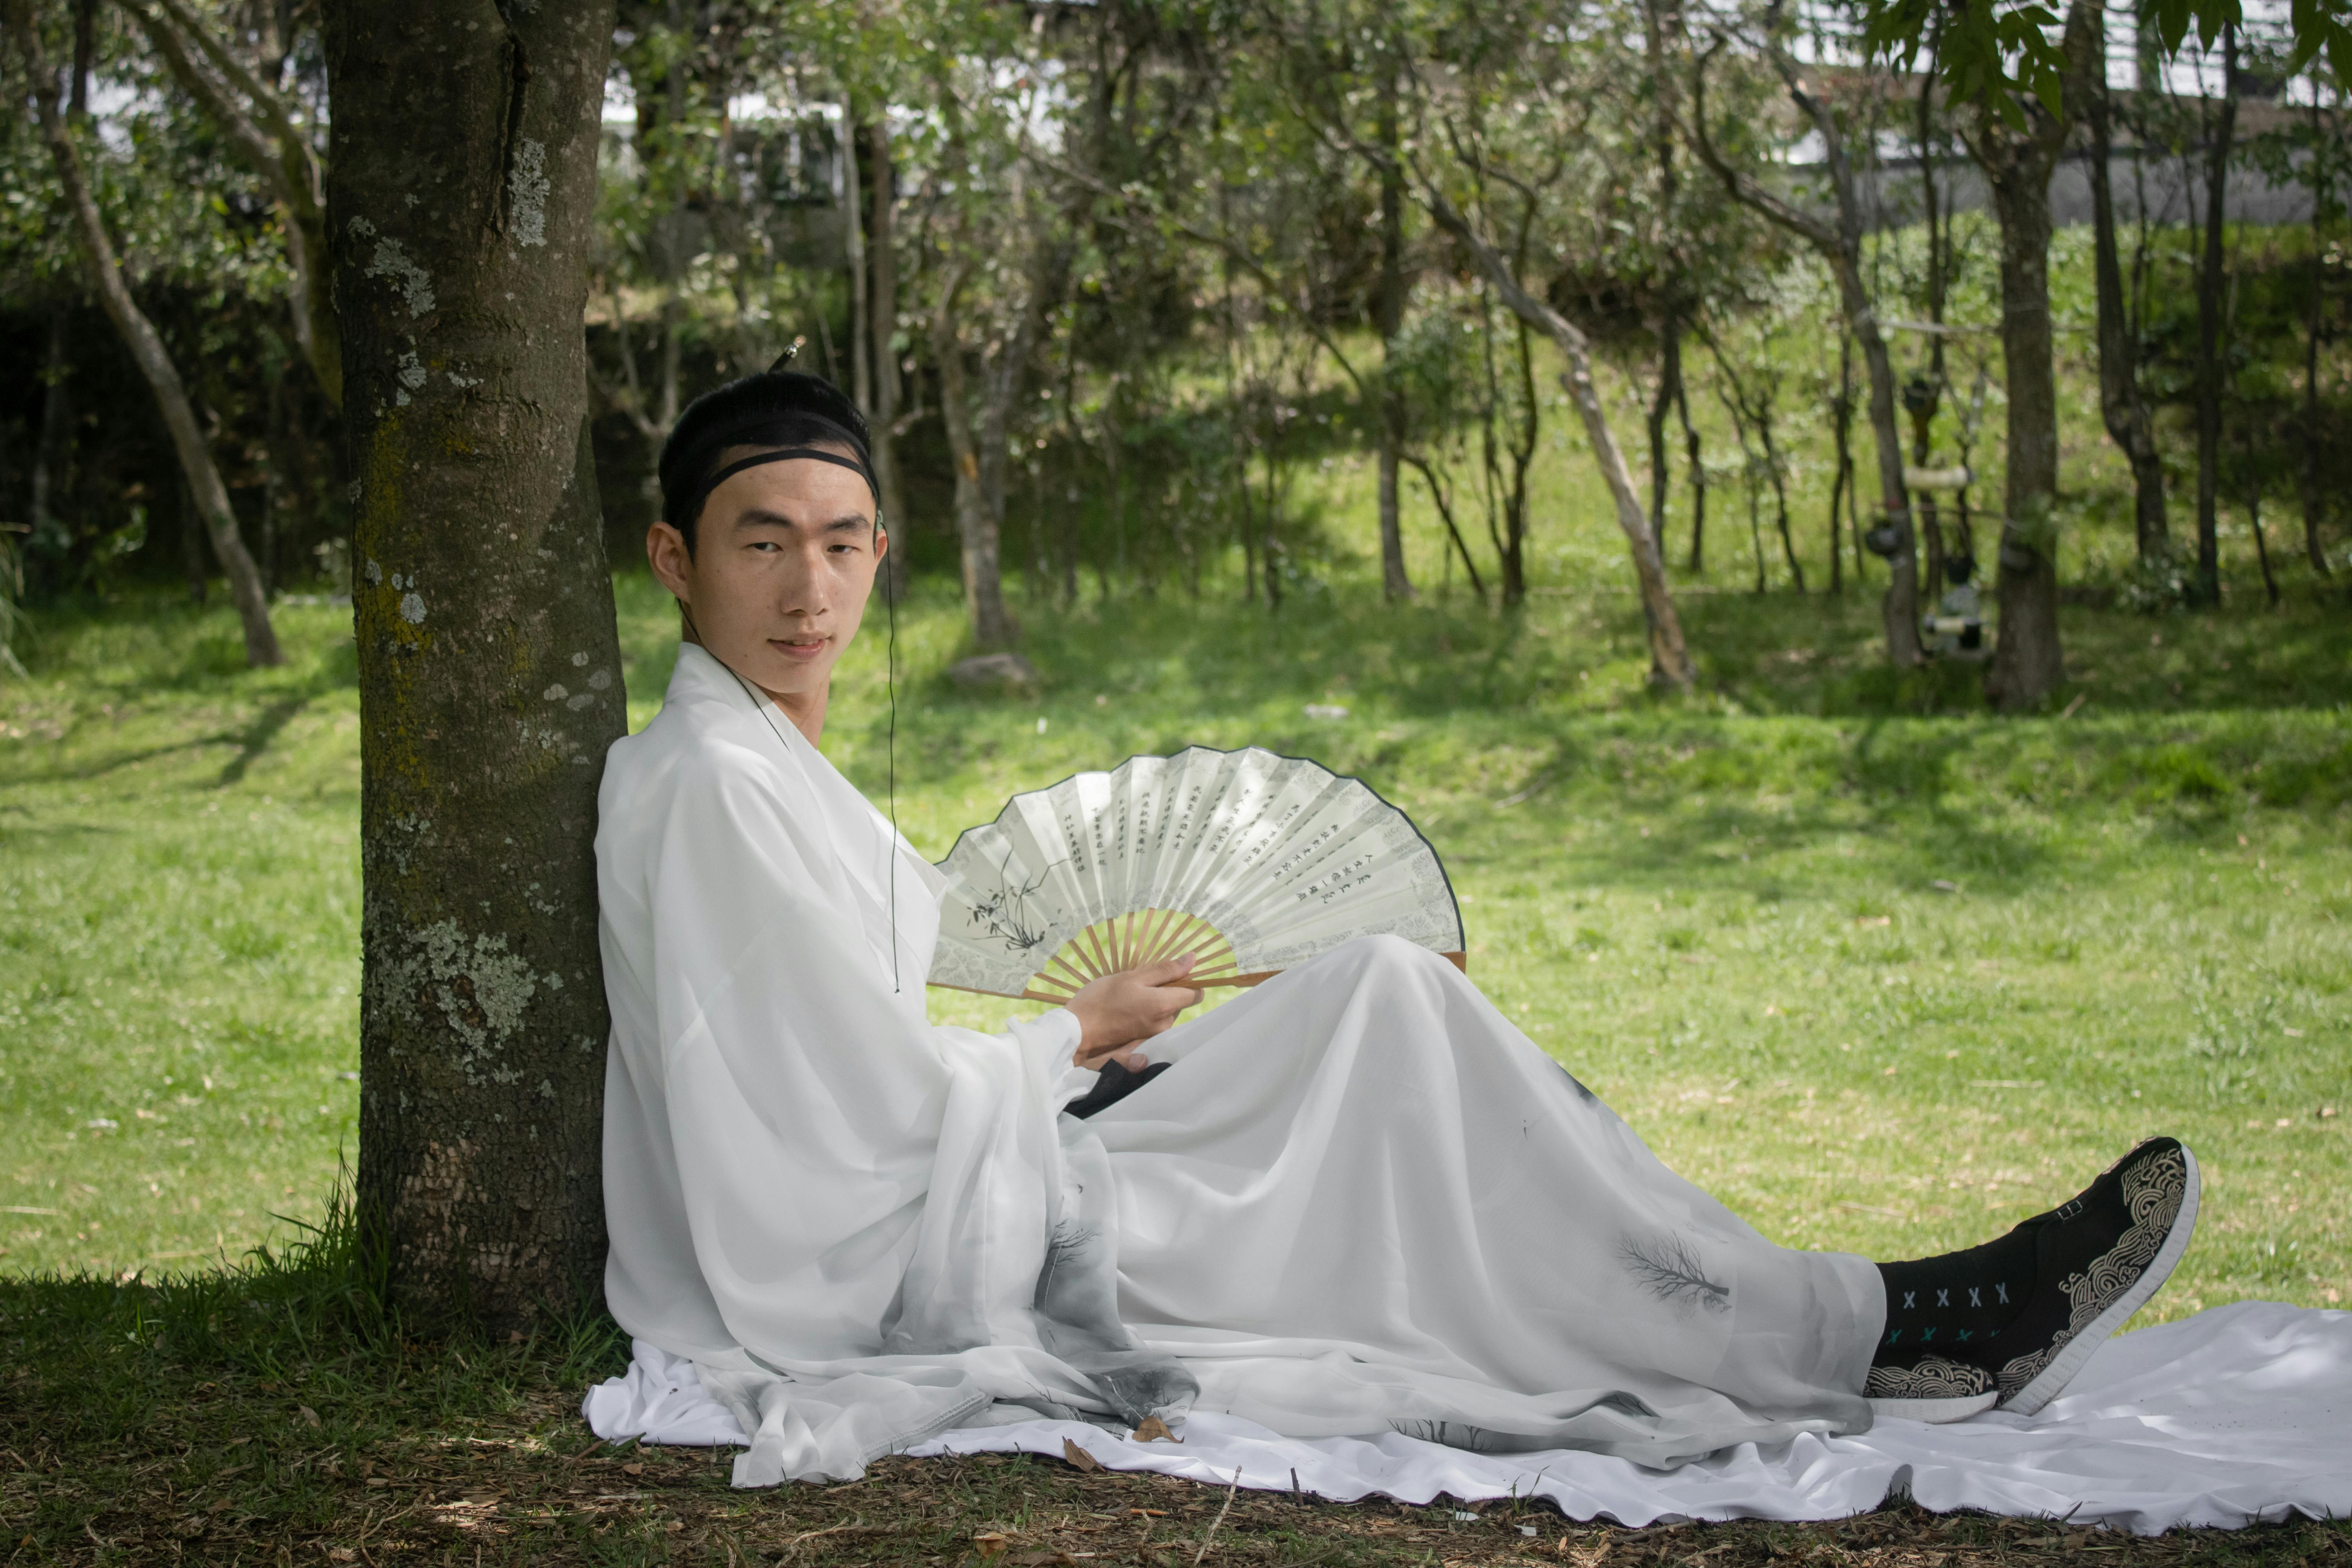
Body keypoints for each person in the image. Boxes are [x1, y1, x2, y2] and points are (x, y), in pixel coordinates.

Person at [595, 363, 2200, 1487]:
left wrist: (1082, 1064)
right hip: (913, 1267)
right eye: (761, 539)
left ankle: (1833, 1309)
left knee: (1376, 995)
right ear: (676, 558)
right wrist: (1070, 1041)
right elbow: (826, 1149)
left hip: (978, 1166)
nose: (810, 587)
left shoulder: (761, 764)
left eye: (841, 539)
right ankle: (1871, 1328)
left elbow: (852, 1064)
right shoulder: (710, 785)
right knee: (1398, 1061)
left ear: (881, 552)